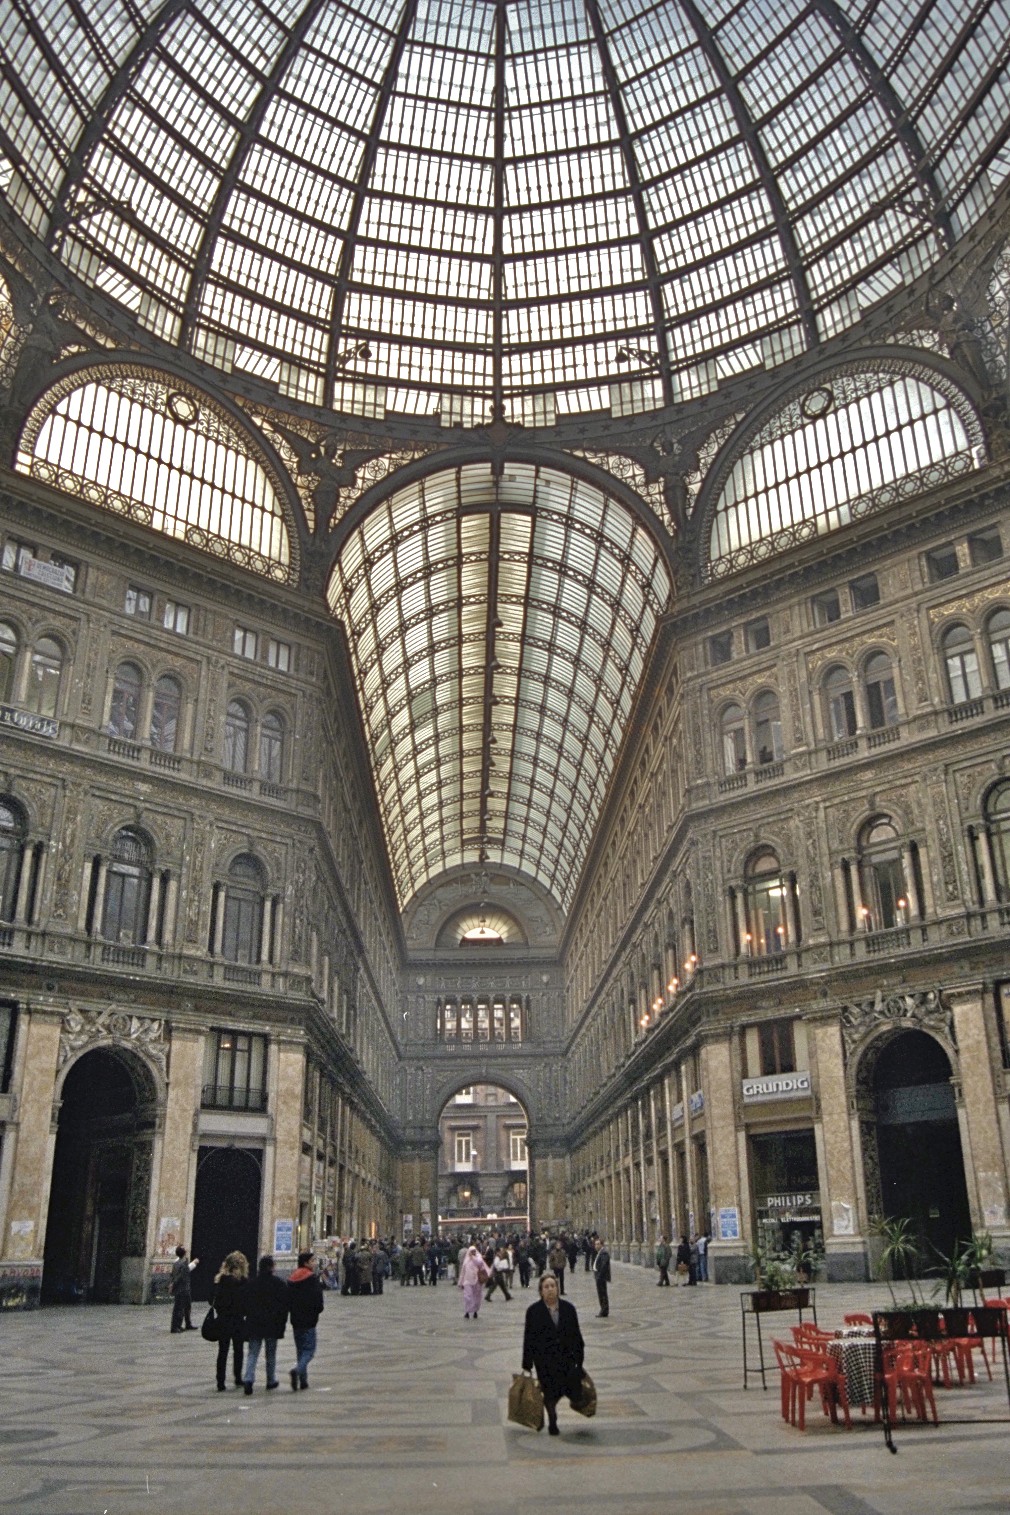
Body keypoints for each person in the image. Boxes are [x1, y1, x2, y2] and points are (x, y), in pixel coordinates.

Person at [521, 1271, 586, 1436]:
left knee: (568, 1389)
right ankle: (552, 1418)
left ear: (557, 1288)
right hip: (545, 1360)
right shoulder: (533, 1312)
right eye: (546, 1287)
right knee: (549, 1391)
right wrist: (527, 1365)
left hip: (566, 1358)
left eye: (552, 1286)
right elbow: (529, 1339)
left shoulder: (569, 1309)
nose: (550, 1289)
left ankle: (561, 1404)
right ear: (541, 1290)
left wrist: (579, 1359)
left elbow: (576, 1336)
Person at [242, 1254, 288, 1394]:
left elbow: (245, 1305)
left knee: (253, 1353)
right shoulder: (279, 1284)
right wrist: (282, 1323)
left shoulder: (252, 1284)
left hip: (255, 1323)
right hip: (272, 1324)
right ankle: (270, 1380)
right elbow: (284, 1306)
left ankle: (248, 1379)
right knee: (271, 1353)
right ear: (272, 1267)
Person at [287, 1249, 324, 1390]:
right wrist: (317, 1310)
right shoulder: (312, 1279)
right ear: (306, 1263)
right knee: (309, 1350)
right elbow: (318, 1299)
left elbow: (288, 1300)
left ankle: (303, 1381)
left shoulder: (292, 1278)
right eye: (312, 1261)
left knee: (300, 1350)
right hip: (309, 1320)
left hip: (296, 1319)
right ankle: (298, 1370)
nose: (315, 1263)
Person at [211, 1250, 248, 1390]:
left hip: (223, 1319)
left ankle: (220, 1381)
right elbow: (245, 1302)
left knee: (223, 1351)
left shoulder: (220, 1281)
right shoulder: (242, 1282)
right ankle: (238, 1378)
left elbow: (212, 1300)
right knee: (238, 1350)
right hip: (237, 1320)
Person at [169, 1245, 199, 1333]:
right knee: (179, 1308)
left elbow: (173, 1275)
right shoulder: (183, 1262)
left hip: (183, 1288)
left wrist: (172, 1284)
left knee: (186, 1307)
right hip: (183, 1289)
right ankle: (175, 1327)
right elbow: (180, 1275)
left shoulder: (176, 1263)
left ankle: (184, 1324)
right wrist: (173, 1284)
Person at [458, 1244, 490, 1319]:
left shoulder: (478, 1258)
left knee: (477, 1297)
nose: (473, 1252)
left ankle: (475, 1311)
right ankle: (467, 1311)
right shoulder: (466, 1261)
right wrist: (460, 1282)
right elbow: (463, 1272)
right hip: (467, 1281)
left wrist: (473, 1257)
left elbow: (480, 1263)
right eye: (471, 1251)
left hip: (477, 1281)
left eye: (474, 1251)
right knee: (467, 1297)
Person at [592, 1235, 611, 1317]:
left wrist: (599, 1276)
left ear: (602, 1245)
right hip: (598, 1276)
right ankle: (603, 1309)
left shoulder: (604, 1253)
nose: (596, 1246)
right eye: (595, 1244)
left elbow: (603, 1266)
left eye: (598, 1244)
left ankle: (604, 1311)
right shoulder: (600, 1253)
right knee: (601, 1294)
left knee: (602, 1294)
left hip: (601, 1277)